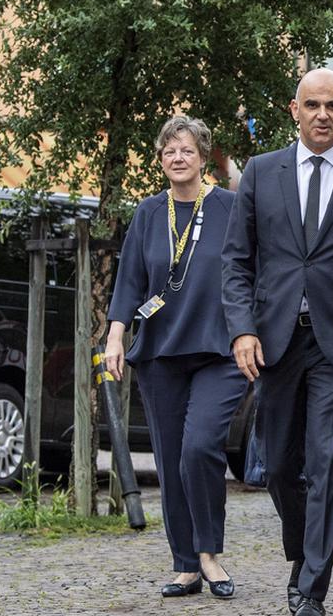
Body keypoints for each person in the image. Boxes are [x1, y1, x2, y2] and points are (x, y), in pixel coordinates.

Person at [221, 68, 333, 616]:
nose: (322, 113)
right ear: (294, 110)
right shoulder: (259, 172)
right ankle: (303, 550)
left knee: (328, 463)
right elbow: (236, 263)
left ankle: (312, 590)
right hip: (274, 342)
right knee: (277, 466)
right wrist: (243, 328)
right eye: (312, 104)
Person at [103, 116, 243, 599]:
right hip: (161, 352)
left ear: (204, 156)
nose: (178, 158)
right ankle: (185, 564)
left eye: (186, 150)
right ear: (161, 161)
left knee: (199, 448)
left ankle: (210, 553)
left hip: (217, 350)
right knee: (168, 457)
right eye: (169, 152)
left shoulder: (230, 207)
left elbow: (249, 272)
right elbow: (129, 281)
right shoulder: (147, 213)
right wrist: (116, 336)